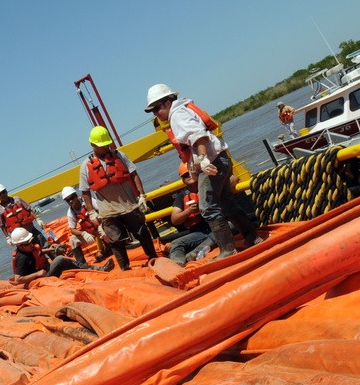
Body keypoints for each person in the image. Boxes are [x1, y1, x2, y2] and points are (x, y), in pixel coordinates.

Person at [145, 83, 261, 259]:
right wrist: (194, 163)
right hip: (221, 158)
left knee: (207, 207)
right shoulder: (184, 109)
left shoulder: (177, 115)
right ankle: (252, 237)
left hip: (212, 161)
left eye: (156, 108)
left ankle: (228, 250)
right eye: (152, 111)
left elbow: (198, 136)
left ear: (168, 103)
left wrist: (203, 159)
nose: (156, 114)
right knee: (227, 203)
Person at [78, 126, 158, 271]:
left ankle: (153, 257)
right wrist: (91, 212)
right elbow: (85, 191)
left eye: (107, 144)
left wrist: (141, 195)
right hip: (108, 211)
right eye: (102, 146)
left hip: (129, 205)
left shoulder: (120, 155)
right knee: (116, 242)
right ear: (93, 145)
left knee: (142, 233)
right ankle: (125, 268)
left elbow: (134, 174)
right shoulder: (85, 166)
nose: (106, 148)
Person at [9, 227, 113, 286]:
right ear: (20, 245)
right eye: (28, 243)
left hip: (44, 271)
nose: (31, 244)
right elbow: (18, 279)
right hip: (39, 279)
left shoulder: (28, 249)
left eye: (31, 241)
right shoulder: (21, 258)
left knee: (60, 257)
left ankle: (85, 267)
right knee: (59, 260)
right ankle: (96, 269)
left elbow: (38, 251)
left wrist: (52, 248)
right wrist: (37, 274)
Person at [168, 163, 215, 266]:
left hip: (217, 225)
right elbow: (175, 219)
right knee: (175, 245)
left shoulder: (211, 183)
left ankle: (196, 252)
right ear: (183, 180)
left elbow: (233, 179)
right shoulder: (182, 196)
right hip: (200, 232)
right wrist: (189, 210)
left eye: (191, 172)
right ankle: (178, 264)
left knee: (227, 227)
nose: (189, 176)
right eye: (185, 175)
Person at [60, 186, 111, 264]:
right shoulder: (71, 212)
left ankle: (108, 249)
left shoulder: (87, 201)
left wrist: (99, 221)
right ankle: (81, 263)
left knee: (107, 232)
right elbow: (72, 230)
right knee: (73, 240)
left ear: (76, 196)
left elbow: (102, 210)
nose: (70, 201)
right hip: (89, 232)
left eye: (72, 198)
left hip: (100, 225)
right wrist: (83, 233)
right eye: (67, 200)